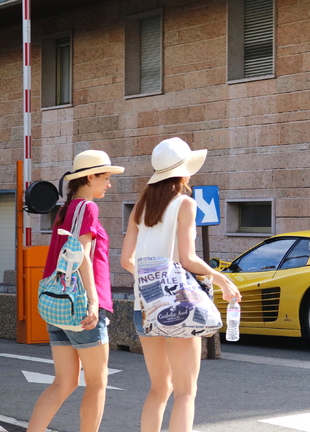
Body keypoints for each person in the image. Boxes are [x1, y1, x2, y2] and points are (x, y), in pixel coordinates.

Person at [120, 137, 241, 432]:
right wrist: (221, 278)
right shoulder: (185, 204)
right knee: (186, 392)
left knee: (159, 389)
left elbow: (126, 260)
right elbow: (188, 259)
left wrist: (152, 284)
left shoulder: (141, 206)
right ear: (184, 171)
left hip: (144, 307)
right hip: (180, 306)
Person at [27, 150, 124, 432]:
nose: (108, 184)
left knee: (64, 382)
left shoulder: (66, 210)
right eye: (105, 178)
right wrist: (94, 302)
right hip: (82, 308)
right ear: (90, 177)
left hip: (57, 304)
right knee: (97, 383)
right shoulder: (88, 208)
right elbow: (81, 254)